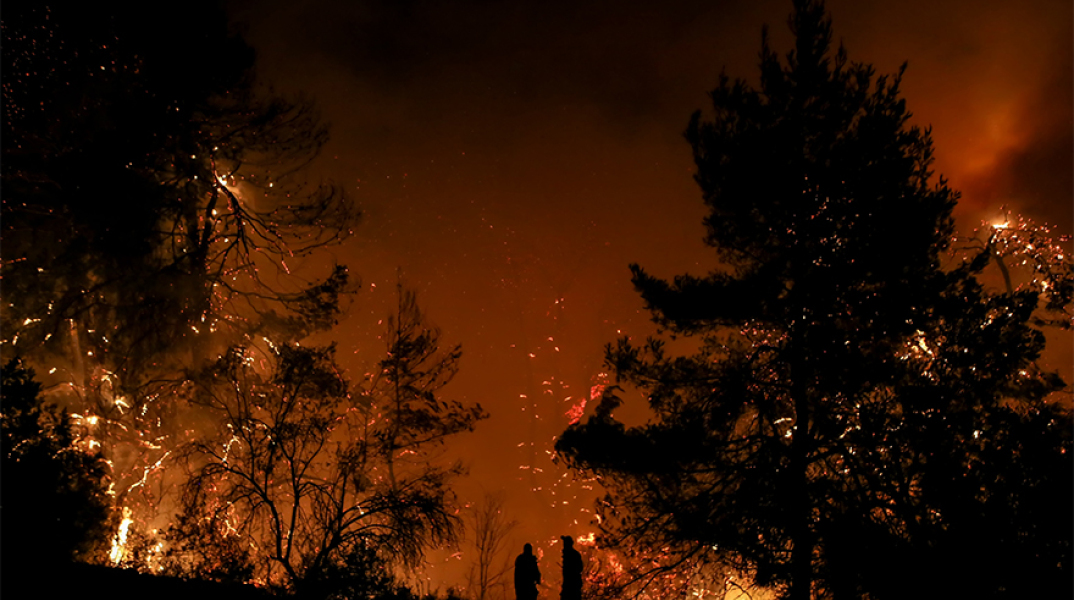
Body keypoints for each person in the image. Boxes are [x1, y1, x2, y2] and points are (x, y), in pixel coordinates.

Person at [560, 536, 583, 600]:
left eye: (565, 543)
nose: (563, 545)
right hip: (570, 585)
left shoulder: (573, 555)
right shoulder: (571, 554)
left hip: (572, 586)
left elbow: (579, 568)